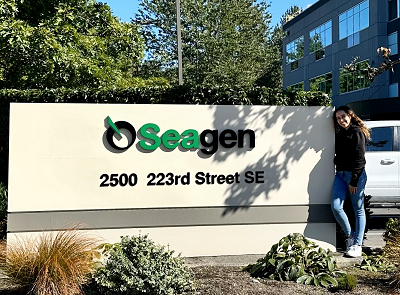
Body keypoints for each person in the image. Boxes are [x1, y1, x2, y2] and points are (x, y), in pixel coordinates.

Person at [331, 106, 370, 258]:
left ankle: (358, 245)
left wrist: (354, 181)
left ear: (350, 115)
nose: (341, 120)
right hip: (340, 175)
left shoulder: (356, 131)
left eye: (343, 116)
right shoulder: (340, 132)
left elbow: (360, 159)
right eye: (338, 118)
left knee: (358, 209)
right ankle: (350, 237)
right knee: (336, 207)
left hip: (355, 176)